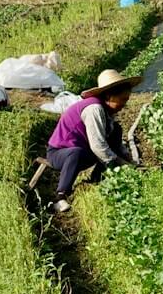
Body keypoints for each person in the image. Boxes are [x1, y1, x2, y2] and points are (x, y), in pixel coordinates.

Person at [46, 69, 138, 213]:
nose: (123, 105)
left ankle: (97, 178)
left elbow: (115, 144)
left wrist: (130, 161)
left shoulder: (106, 111)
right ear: (109, 96)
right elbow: (98, 146)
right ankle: (60, 197)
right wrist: (120, 164)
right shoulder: (94, 109)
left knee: (116, 131)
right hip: (60, 153)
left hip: (83, 151)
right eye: (122, 100)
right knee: (76, 152)